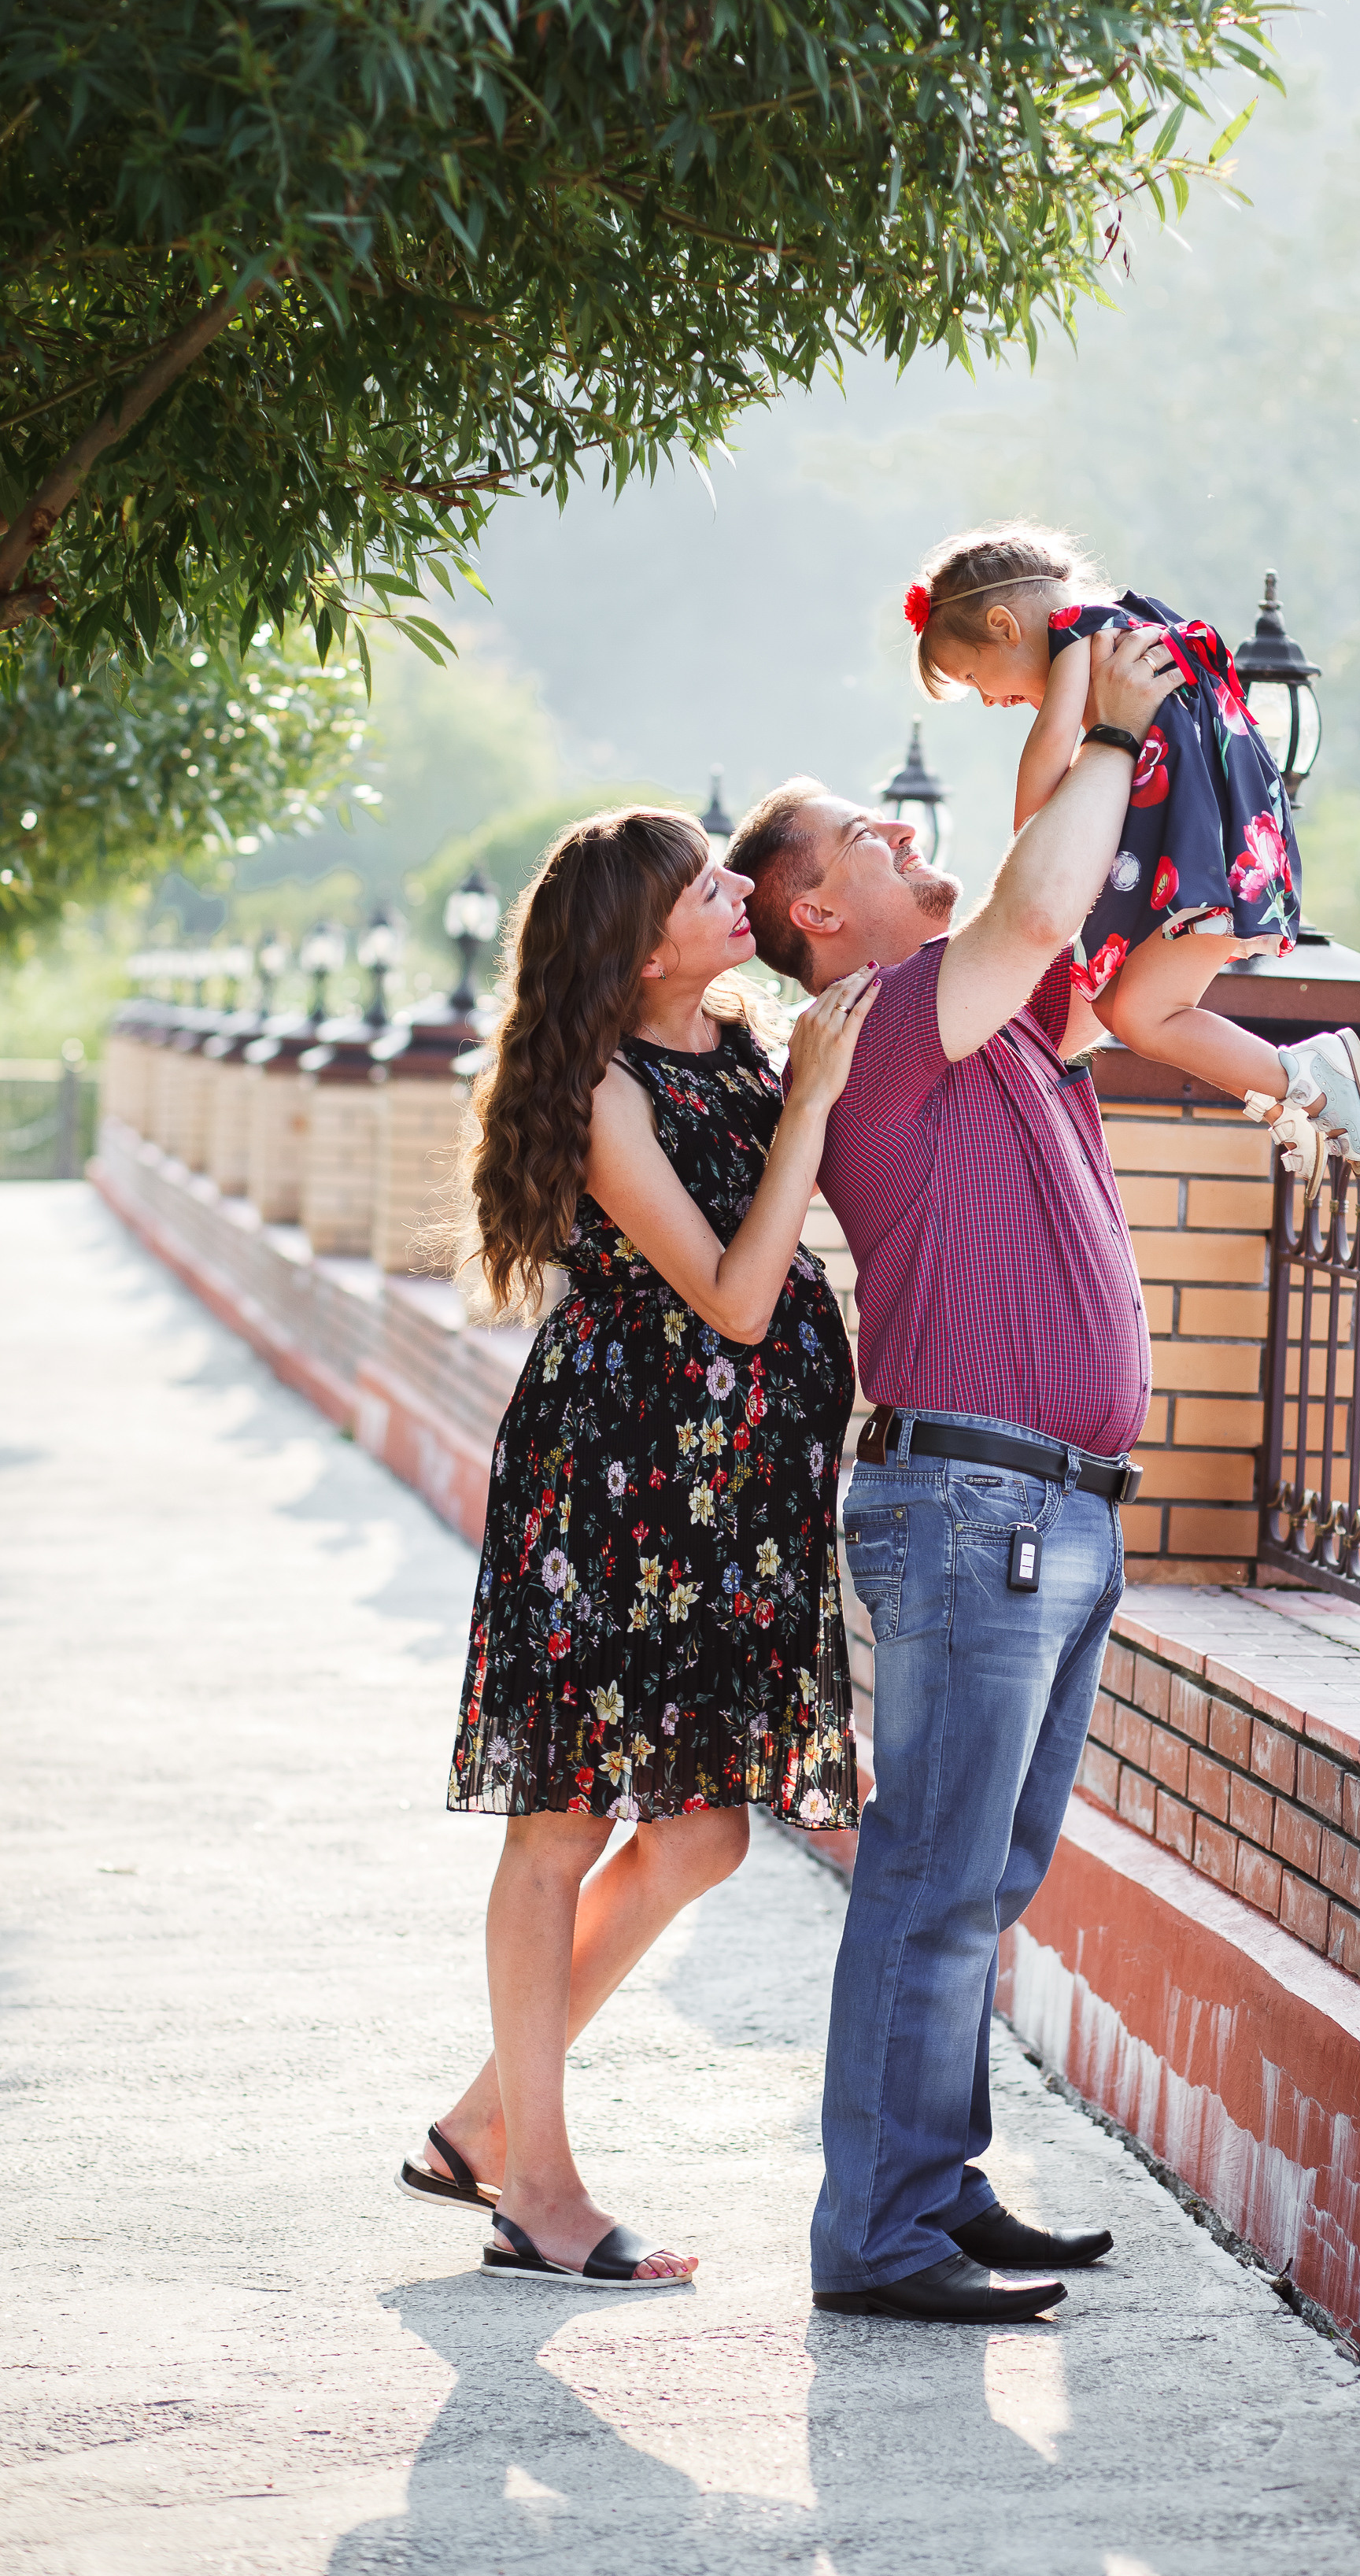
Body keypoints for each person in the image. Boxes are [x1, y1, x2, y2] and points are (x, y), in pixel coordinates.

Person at [730, 622, 1186, 2327]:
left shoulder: (987, 1020)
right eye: (867, 836)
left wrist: (1078, 694)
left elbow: (1074, 919)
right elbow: (1042, 895)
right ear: (818, 917)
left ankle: (934, 2188)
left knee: (980, 1881)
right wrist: (1115, 735)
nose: (904, 835)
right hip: (979, 1508)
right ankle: (878, 2237)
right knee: (932, 1874)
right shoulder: (893, 1020)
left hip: (1050, 1505)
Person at [397, 807, 878, 2286]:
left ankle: (485, 2121)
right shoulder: (610, 1092)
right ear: (638, 938)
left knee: (701, 1833)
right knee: (563, 1829)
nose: (740, 889)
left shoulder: (742, 1053)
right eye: (706, 885)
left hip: (731, 1511)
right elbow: (733, 1301)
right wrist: (809, 1104)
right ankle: (538, 2189)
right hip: (616, 1497)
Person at [906, 519, 1360, 1188]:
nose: (988, 699)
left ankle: (1306, 1079)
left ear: (1008, 626)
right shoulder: (1127, 626)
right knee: (1121, 1004)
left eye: (975, 675)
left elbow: (1037, 801)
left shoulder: (1080, 636)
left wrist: (1048, 806)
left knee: (1136, 1013)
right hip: (1210, 850)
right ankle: (1286, 1089)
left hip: (1196, 860)